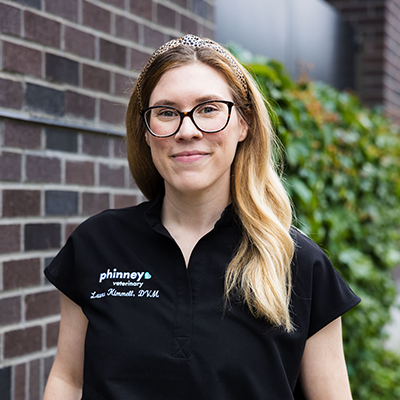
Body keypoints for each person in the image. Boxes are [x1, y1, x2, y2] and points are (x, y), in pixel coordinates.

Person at [43, 35, 360, 400]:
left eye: (209, 109)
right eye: (166, 112)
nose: (187, 130)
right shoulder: (96, 243)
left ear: (244, 124)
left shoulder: (299, 263)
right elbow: (69, 380)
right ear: (146, 132)